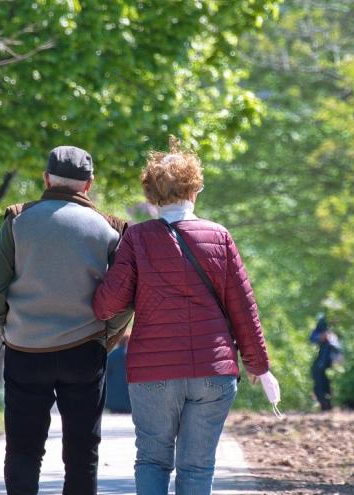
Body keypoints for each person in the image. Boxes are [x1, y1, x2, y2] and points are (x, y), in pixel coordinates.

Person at [93, 138, 279, 495]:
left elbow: (106, 306)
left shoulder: (136, 239)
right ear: (196, 189)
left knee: (152, 461)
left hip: (153, 373)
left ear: (150, 194)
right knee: (197, 468)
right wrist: (259, 366)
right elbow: (244, 308)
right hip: (213, 372)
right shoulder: (219, 236)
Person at [0, 145, 132, 495]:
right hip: (84, 351)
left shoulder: (18, 219)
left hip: (26, 350)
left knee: (23, 448)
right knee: (82, 451)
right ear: (88, 185)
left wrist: (10, 327)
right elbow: (125, 295)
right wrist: (106, 336)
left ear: (46, 179)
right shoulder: (111, 229)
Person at [310, 313, 341, 411]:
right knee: (318, 381)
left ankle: (329, 404)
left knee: (328, 384)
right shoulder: (321, 331)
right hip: (321, 363)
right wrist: (321, 337)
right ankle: (323, 404)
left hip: (330, 365)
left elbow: (337, 348)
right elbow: (313, 338)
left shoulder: (332, 334)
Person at [105, 334, 132, 413]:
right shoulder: (132, 355)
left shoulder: (112, 354)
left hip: (113, 397)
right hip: (128, 397)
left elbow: (106, 374)